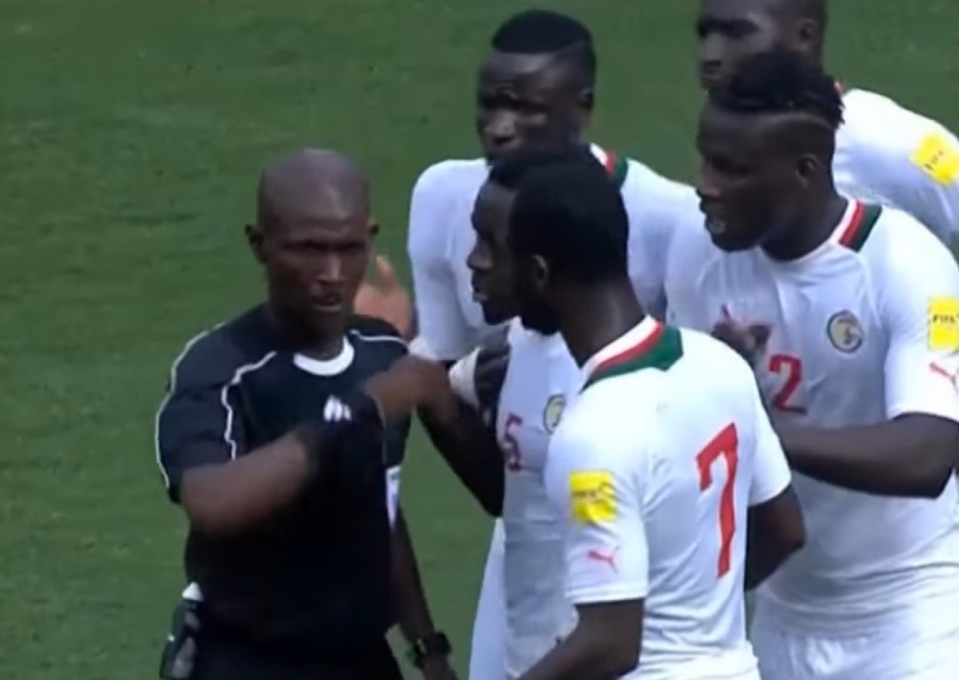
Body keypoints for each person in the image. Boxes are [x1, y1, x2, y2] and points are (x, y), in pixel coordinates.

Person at [356, 11, 699, 678]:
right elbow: (450, 369)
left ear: (584, 108)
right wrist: (436, 374)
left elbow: (680, 390)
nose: (499, 126)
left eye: (525, 109)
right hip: (526, 519)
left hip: (637, 532)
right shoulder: (443, 197)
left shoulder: (665, 217)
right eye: (490, 104)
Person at [420, 145, 805, 679]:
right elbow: (784, 529)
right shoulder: (718, 364)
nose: (473, 260)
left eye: (489, 244)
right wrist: (690, 618)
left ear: (538, 272)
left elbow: (610, 644)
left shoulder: (592, 432)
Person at [667, 51, 959, 679]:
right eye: (706, 157)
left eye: (731, 168)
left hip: (917, 615)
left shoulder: (905, 266)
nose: (704, 183)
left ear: (805, 171)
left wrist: (755, 424)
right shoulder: (697, 251)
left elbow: (928, 453)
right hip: (783, 616)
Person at [154, 149, 457, 680]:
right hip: (248, 661)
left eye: (349, 248)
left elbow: (380, 508)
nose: (332, 274)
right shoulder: (222, 369)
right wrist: (358, 415)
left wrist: (427, 646)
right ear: (259, 245)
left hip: (361, 659)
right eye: (310, 250)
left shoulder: (382, 353)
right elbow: (212, 504)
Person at [695, 0, 959, 246]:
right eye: (706, 34)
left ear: (805, 37)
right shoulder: (722, 142)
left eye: (736, 33)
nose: (710, 55)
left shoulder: (888, 141)